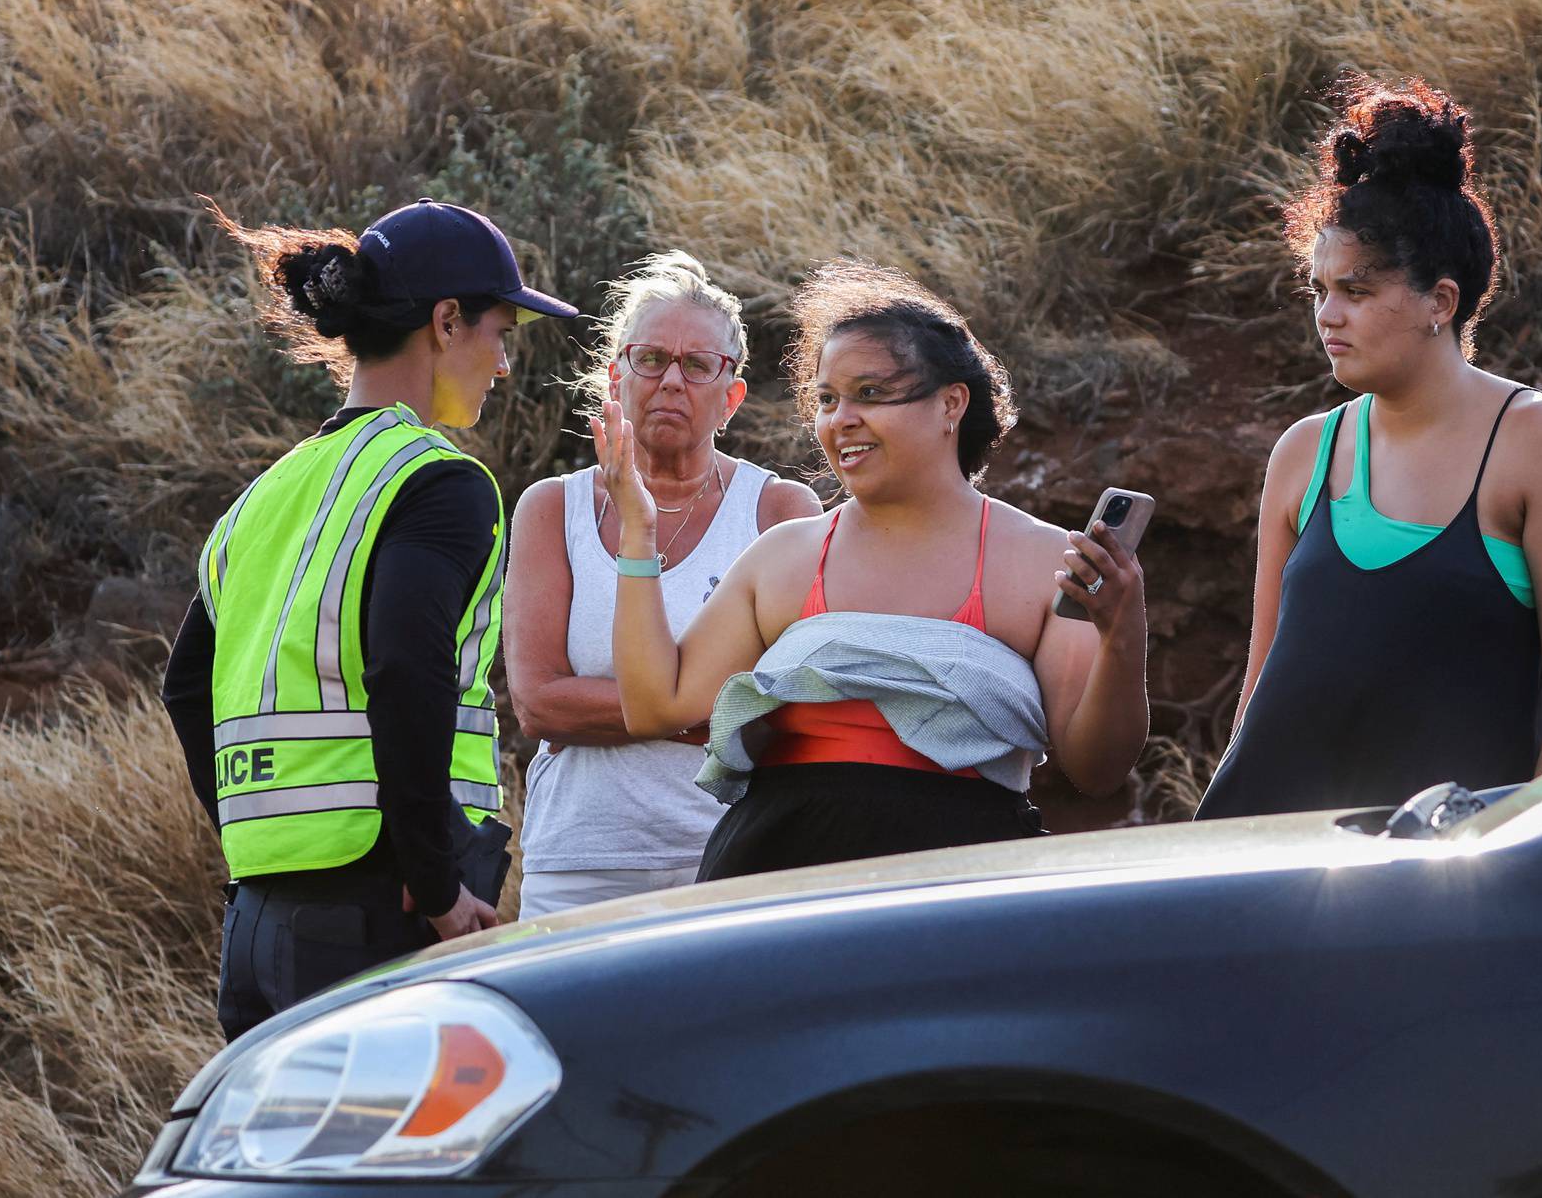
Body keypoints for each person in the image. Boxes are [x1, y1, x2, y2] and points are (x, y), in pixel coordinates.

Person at [161, 197, 578, 1041]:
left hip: (259, 918)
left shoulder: (260, 497)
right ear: (446, 320)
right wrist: (433, 885)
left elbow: (183, 690)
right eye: (501, 333)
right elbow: (403, 666)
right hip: (381, 913)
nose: (502, 366)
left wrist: (255, 855)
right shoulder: (438, 481)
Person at [591, 258, 1149, 879]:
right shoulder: (785, 555)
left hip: (957, 884)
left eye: (871, 394)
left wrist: (1122, 634)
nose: (840, 420)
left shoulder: (1042, 559)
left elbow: (1097, 769)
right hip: (772, 875)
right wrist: (637, 532)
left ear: (951, 405)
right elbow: (652, 706)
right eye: (827, 399)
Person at [1196, 77, 1542, 820]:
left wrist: (1514, 873)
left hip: (1450, 892)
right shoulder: (1304, 454)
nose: (1328, 315)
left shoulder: (1540, 442)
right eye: (1319, 289)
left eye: (1356, 291)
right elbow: (1258, 698)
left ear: (1440, 302)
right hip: (1277, 879)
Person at [505, 252, 821, 917]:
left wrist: (630, 708)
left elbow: (789, 711)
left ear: (731, 394)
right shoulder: (549, 509)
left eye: (697, 364)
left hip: (732, 856)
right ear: (616, 375)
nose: (671, 379)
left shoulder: (779, 513)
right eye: (651, 358)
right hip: (580, 863)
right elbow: (539, 705)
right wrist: (703, 706)